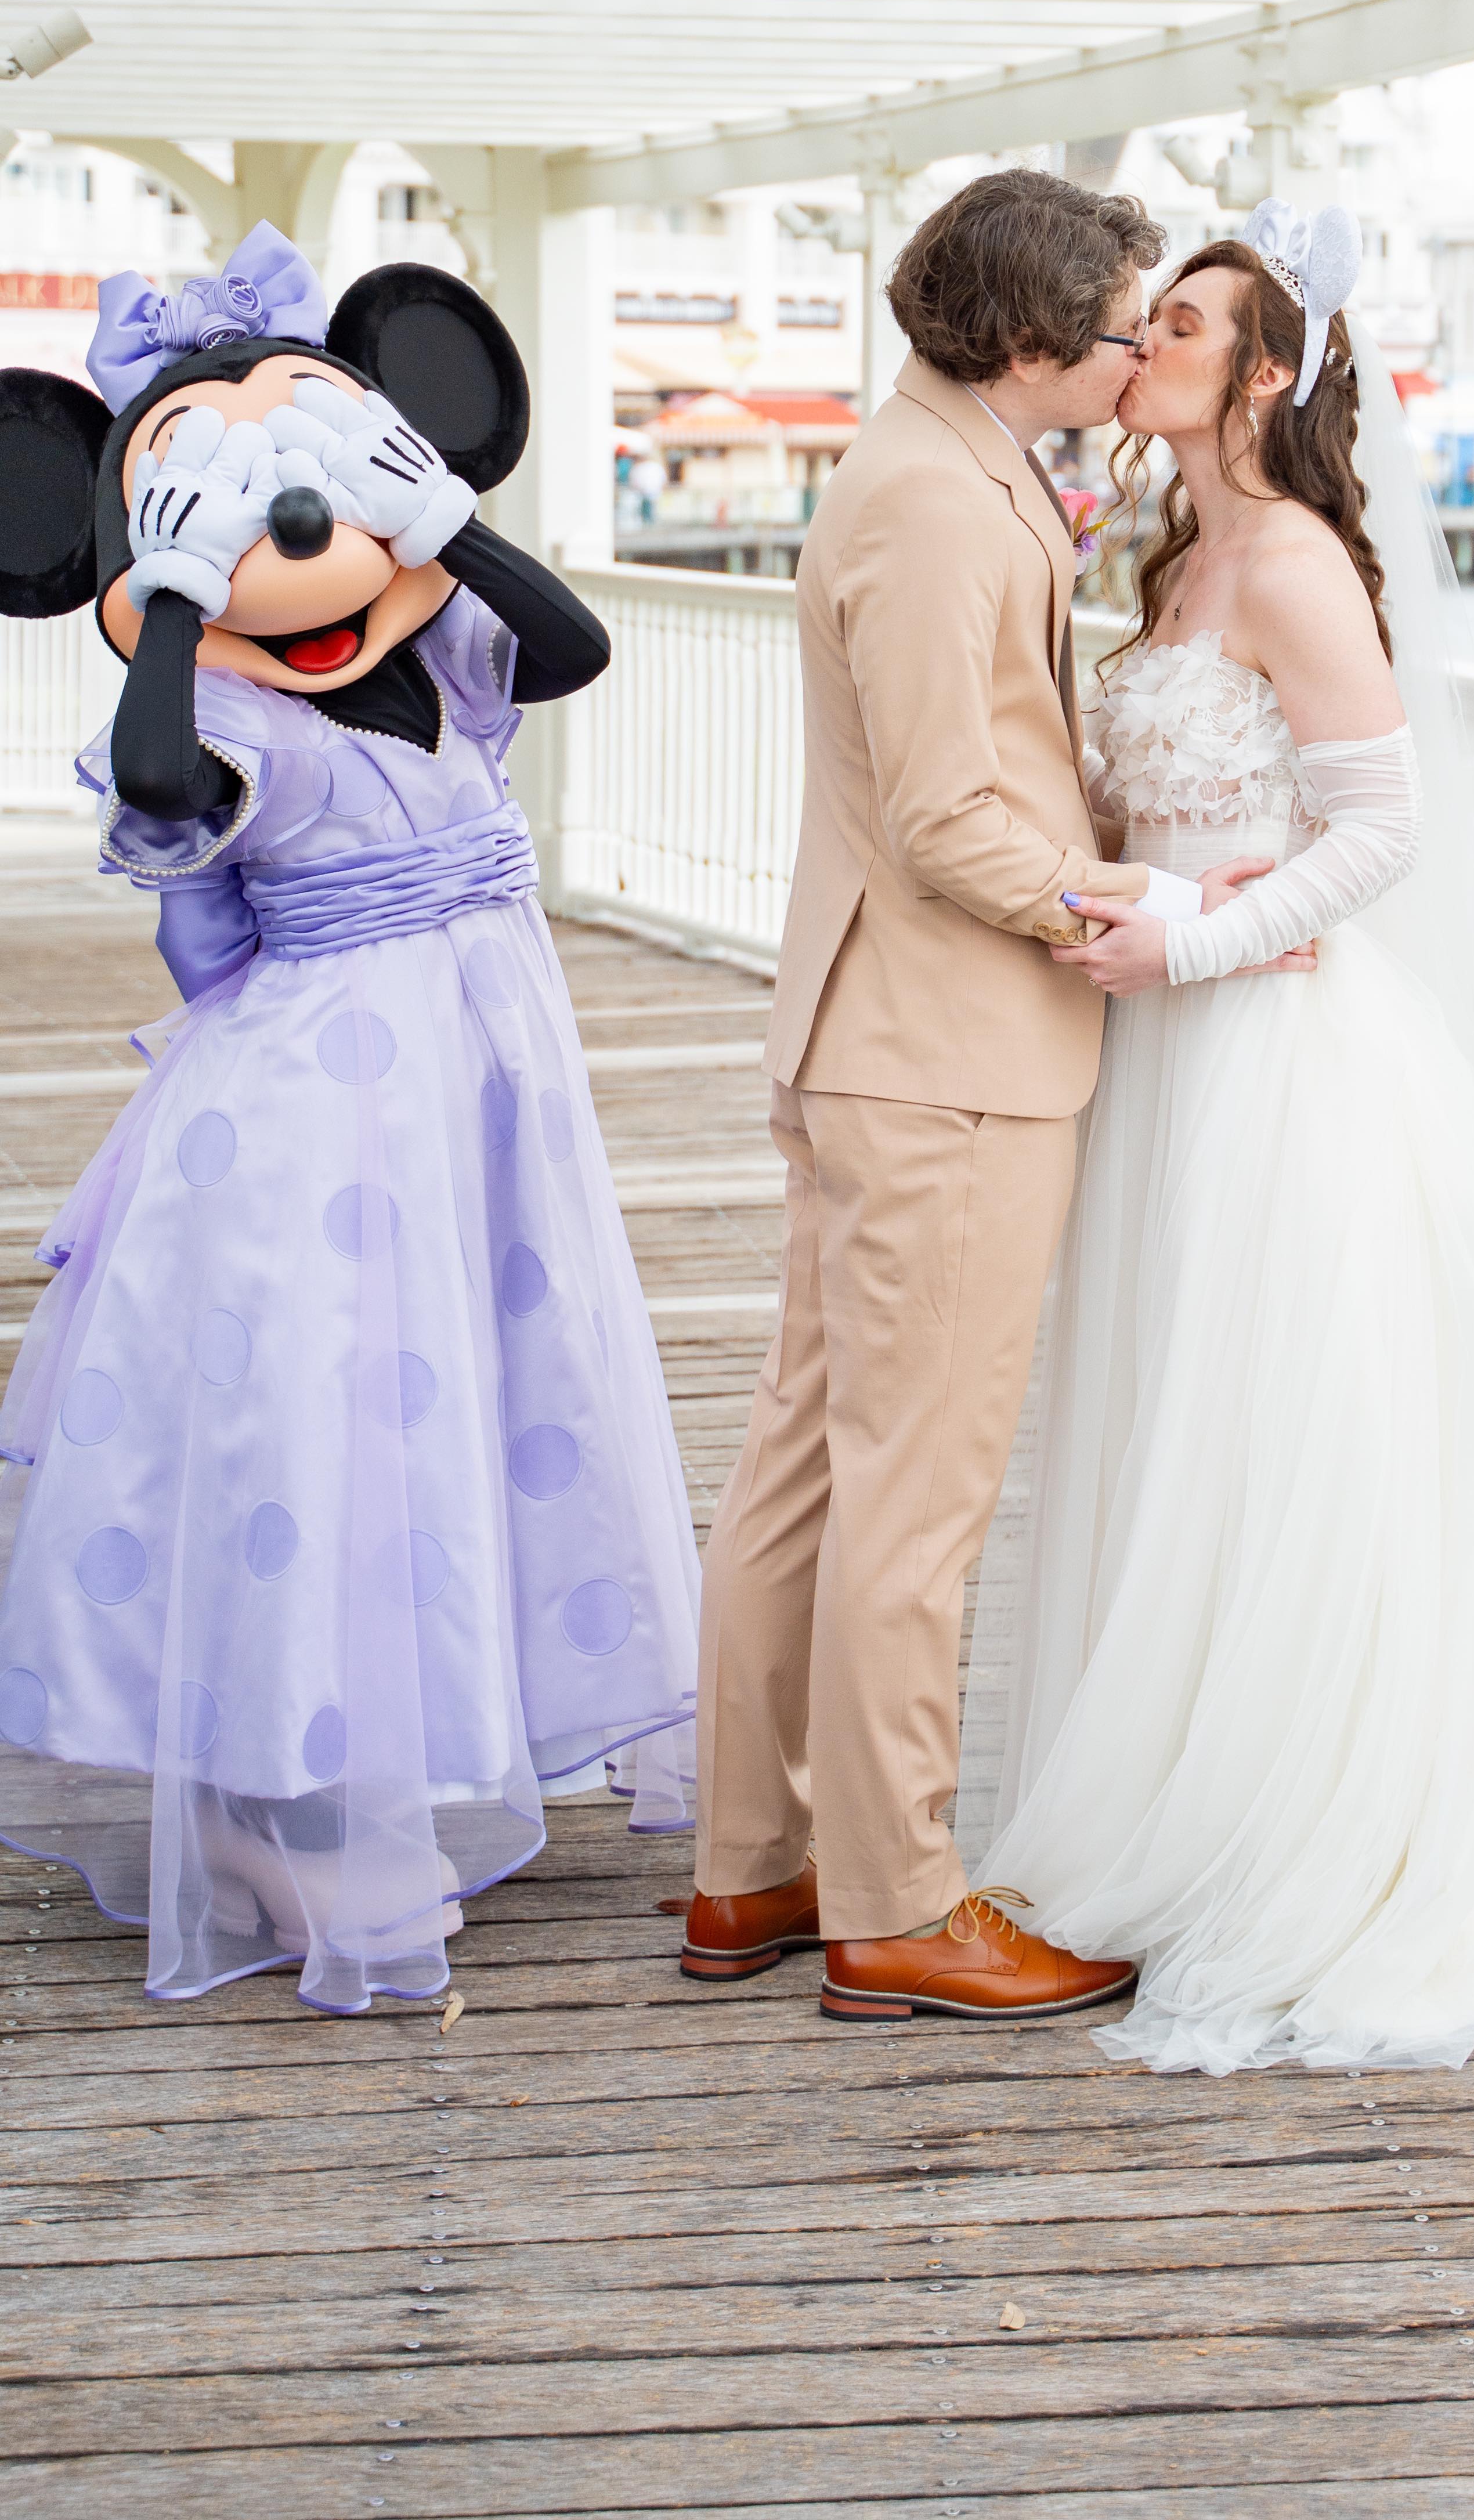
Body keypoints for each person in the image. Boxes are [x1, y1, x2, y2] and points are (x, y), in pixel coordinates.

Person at [959, 205, 1474, 2073]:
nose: (1139, 339)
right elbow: (1176, 790)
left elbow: (1378, 832)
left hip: (1274, 1055)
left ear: (1256, 378)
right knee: (1177, 1434)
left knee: (1283, 1440)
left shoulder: (1297, 562)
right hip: (1166, 1042)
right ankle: (1170, 1814)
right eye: (1147, 317)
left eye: (1183, 322)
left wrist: (1204, 930)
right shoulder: (1175, 554)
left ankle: (1309, 1854)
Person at [0, 229, 700, 2011]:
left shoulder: (451, 653)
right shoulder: (225, 708)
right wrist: (162, 610)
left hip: (474, 1093)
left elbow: (581, 642)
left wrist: (447, 517)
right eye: (224, 509)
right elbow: (158, 786)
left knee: (469, 1395)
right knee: (312, 1436)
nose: (295, 540)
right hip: (310, 1124)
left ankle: (411, 1742)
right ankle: (272, 1799)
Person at [684, 168, 1259, 2028]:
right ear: (1027, 339)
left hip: (879, 1042)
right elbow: (948, 821)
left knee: (806, 1476)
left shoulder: (940, 463)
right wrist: (1131, 914)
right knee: (912, 1501)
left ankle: (753, 1871)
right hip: (945, 1056)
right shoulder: (936, 506)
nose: (1133, 356)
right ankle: (897, 1901)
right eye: (1116, 330)